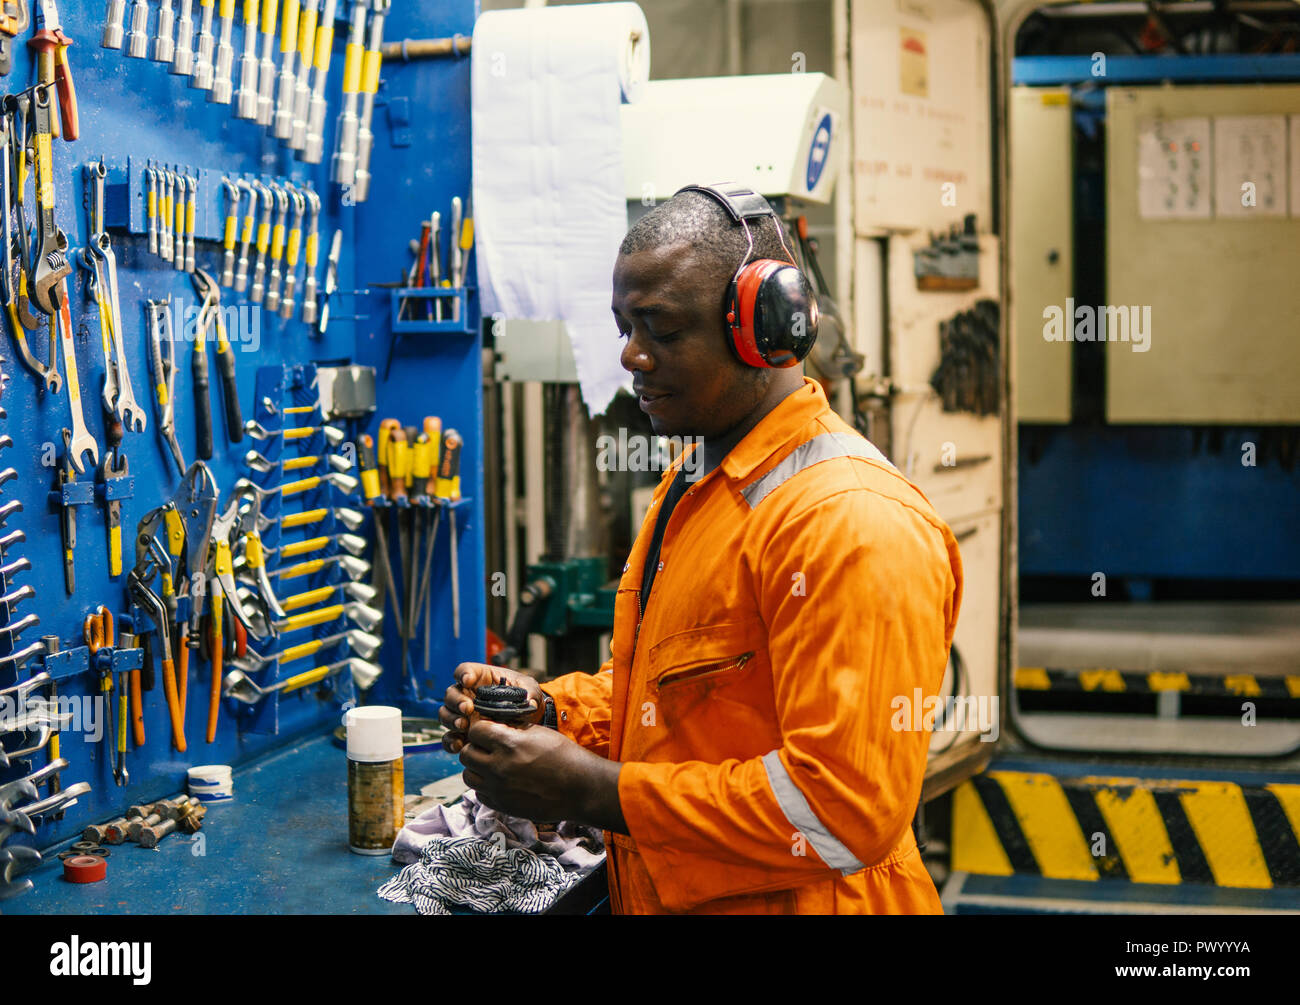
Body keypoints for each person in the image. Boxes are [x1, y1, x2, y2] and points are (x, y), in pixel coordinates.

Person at [439, 184, 963, 914]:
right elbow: (667, 698)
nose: (631, 355)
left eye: (659, 327)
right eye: (624, 326)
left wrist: (589, 786)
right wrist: (552, 714)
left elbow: (841, 812)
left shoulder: (851, 522)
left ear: (763, 328)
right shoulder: (697, 488)